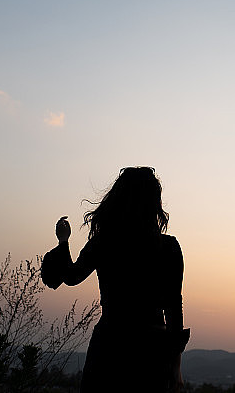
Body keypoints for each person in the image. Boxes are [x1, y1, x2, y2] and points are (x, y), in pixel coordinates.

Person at [41, 167, 189, 392]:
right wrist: (175, 367)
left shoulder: (104, 242)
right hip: (151, 351)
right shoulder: (169, 248)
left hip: (110, 345)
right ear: (154, 203)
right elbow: (173, 308)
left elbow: (70, 277)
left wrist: (63, 242)